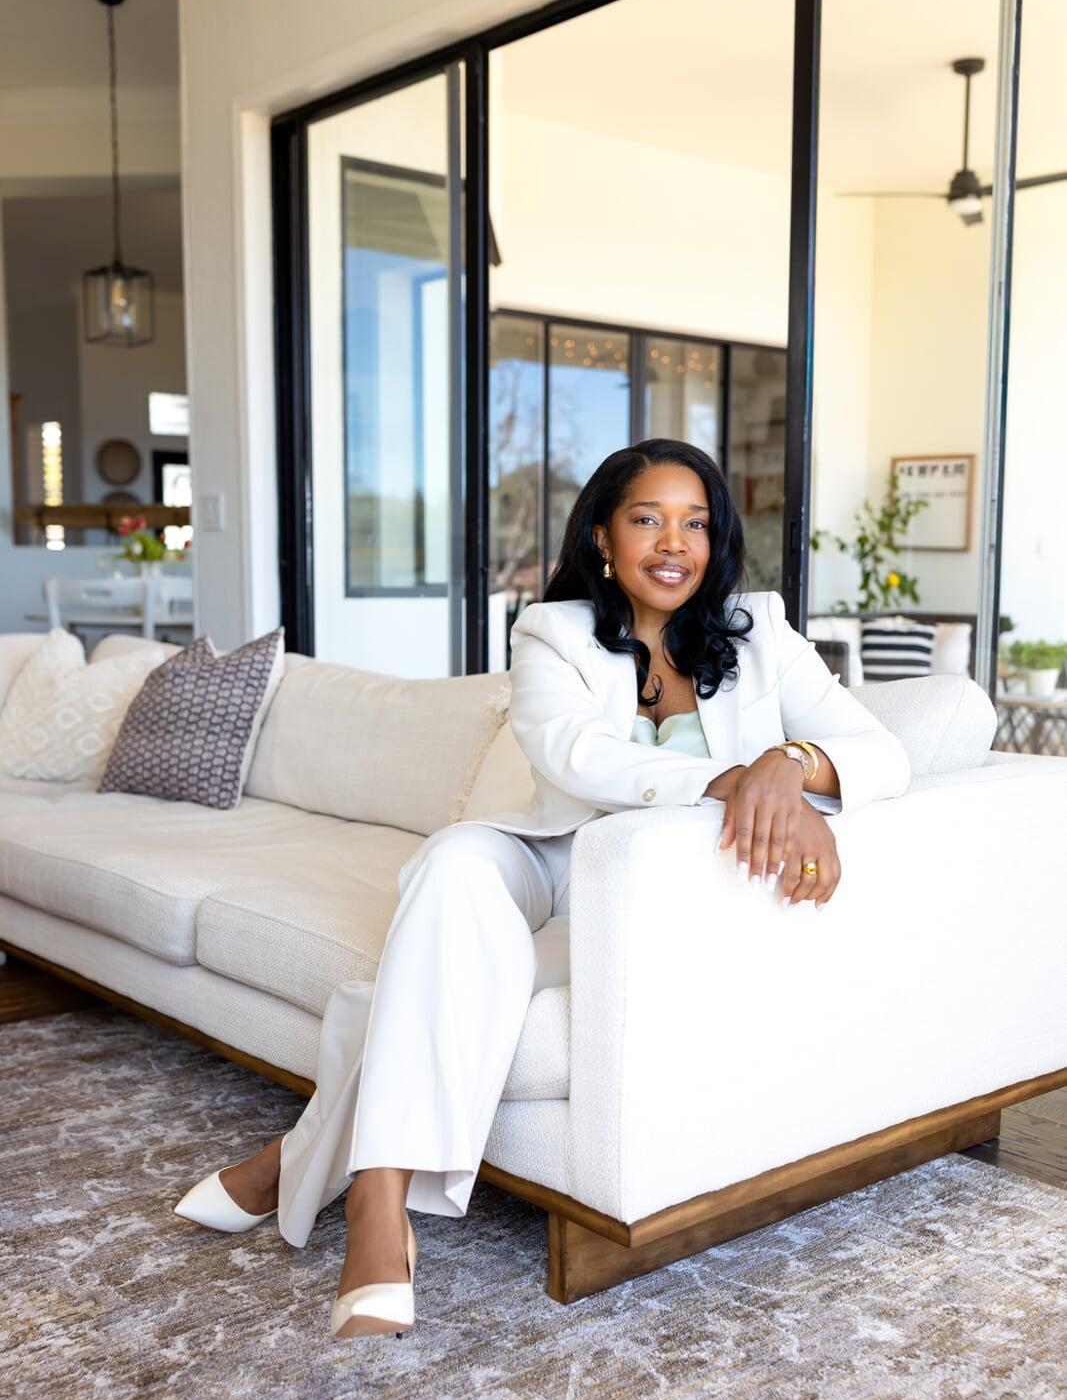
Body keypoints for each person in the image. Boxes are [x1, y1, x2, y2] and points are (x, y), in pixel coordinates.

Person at [174, 438, 910, 1340]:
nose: (672, 543)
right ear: (604, 533)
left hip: (647, 889)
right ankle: (376, 1206)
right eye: (647, 519)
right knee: (453, 866)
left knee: (431, 982)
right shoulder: (551, 630)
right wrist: (733, 778)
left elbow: (881, 750)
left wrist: (787, 763)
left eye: (695, 523)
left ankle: (308, 1168)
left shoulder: (760, 633)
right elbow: (576, 758)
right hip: (550, 852)